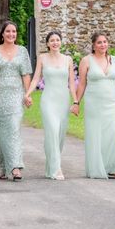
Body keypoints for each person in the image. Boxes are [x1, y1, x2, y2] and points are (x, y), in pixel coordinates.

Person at [76, 32, 115, 179]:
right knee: (97, 135)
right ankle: (99, 168)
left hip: (112, 103)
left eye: (105, 42)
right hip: (94, 104)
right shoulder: (86, 61)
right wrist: (76, 102)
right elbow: (82, 84)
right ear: (93, 45)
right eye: (99, 42)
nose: (103, 45)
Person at [24, 31, 77, 180]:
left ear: (61, 42)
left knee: (60, 135)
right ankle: (56, 168)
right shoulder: (42, 58)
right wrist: (28, 93)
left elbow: (72, 83)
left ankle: (51, 167)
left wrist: (76, 101)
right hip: (48, 100)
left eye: (57, 40)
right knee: (52, 132)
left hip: (63, 100)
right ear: (47, 44)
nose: (55, 42)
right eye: (52, 40)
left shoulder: (68, 59)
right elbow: (35, 79)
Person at [0, 21, 32, 181]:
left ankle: (15, 167)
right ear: (2, 34)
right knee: (3, 131)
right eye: (8, 31)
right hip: (0, 96)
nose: (11, 34)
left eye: (14, 31)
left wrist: (28, 94)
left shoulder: (23, 51)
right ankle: (4, 167)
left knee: (14, 128)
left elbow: (26, 74)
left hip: (17, 95)